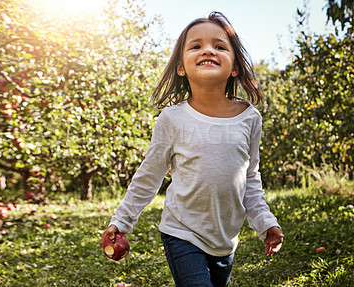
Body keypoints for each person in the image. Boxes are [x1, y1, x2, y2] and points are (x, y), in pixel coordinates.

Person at [100, 11, 284, 287]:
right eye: (196, 46)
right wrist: (122, 221)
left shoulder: (249, 118)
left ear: (234, 66)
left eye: (220, 46)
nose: (208, 50)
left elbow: (250, 179)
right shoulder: (173, 118)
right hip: (181, 232)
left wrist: (265, 221)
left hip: (225, 240)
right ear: (181, 67)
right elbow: (150, 174)